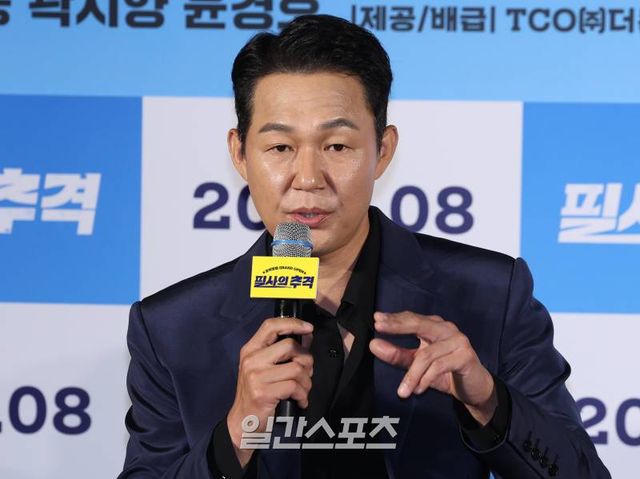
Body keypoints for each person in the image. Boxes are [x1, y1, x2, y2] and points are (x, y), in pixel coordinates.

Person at [119, 14, 610, 479]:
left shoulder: (488, 296)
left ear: (383, 150)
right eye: (280, 147)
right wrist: (234, 434)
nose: (308, 178)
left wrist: (487, 399)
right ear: (240, 154)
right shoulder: (170, 330)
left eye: (336, 146)